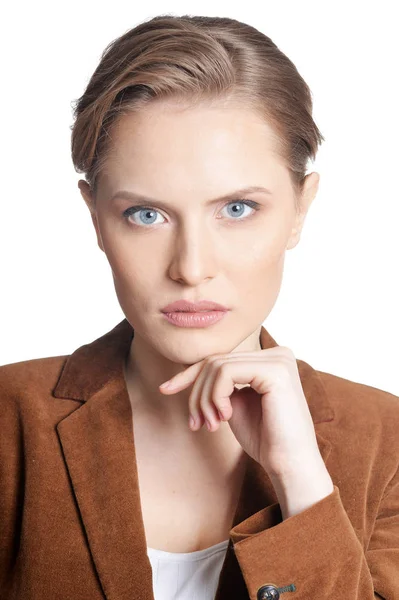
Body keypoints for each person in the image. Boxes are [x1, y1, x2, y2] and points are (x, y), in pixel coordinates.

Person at [1, 13, 398, 600]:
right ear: (96, 218)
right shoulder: (9, 423)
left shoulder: (387, 443)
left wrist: (303, 483)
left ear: (300, 210)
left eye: (237, 209)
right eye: (147, 214)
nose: (190, 267)